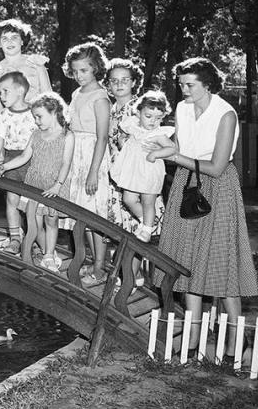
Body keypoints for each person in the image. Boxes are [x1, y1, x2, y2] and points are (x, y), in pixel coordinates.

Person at [147, 58, 258, 347]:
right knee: (187, 258)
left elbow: (218, 167)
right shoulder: (183, 109)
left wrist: (173, 157)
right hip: (188, 182)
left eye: (190, 85)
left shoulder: (226, 114)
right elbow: (183, 149)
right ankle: (193, 337)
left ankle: (237, 340)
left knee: (221, 261)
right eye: (181, 84)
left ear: (207, 84)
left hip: (217, 187)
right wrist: (162, 145)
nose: (184, 89)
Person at [0, 92, 74, 273]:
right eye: (35, 117)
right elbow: (25, 156)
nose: (36, 121)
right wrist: (3, 167)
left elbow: (66, 162)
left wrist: (58, 185)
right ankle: (40, 253)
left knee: (51, 220)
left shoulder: (67, 135)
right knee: (34, 219)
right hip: (34, 182)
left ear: (54, 112)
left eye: (39, 116)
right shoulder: (36, 134)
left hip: (54, 184)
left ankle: (49, 255)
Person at [63, 42, 111, 286]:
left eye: (85, 70)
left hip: (93, 156)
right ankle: (93, 261)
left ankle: (101, 268)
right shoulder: (76, 94)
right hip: (76, 155)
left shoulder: (101, 98)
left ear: (96, 69)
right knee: (83, 214)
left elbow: (103, 137)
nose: (79, 76)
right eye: (75, 71)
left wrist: (93, 173)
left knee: (95, 214)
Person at [105, 58, 163, 236]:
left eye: (125, 80)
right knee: (123, 228)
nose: (119, 84)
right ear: (108, 85)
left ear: (134, 82)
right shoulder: (111, 108)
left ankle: (149, 224)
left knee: (137, 222)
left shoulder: (140, 108)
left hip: (137, 170)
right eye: (114, 81)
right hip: (117, 172)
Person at [108, 90, 175, 242]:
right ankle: (147, 221)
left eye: (158, 118)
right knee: (128, 199)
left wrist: (156, 154)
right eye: (148, 116)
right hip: (133, 170)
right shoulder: (132, 126)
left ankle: (146, 229)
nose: (152, 121)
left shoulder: (159, 134)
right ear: (138, 113)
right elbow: (123, 138)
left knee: (148, 201)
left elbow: (172, 148)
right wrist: (123, 141)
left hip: (150, 171)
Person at [0, 72, 37, 254]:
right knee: (12, 200)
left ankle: (34, 242)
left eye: (5, 91)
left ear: (21, 90)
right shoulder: (3, 116)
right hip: (11, 160)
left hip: (34, 161)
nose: (1, 96)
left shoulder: (35, 113)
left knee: (33, 204)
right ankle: (15, 238)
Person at [0, 19, 52, 100]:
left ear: (22, 41)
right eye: (5, 38)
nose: (10, 42)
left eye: (14, 37)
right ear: (0, 44)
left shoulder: (36, 63)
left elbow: (49, 97)